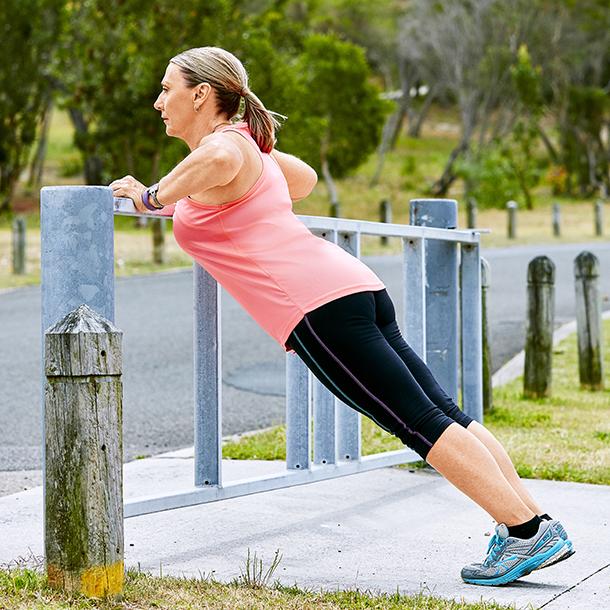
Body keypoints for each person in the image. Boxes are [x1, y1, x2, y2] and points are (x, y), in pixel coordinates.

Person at [110, 46, 574, 586]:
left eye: (167, 88)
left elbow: (216, 164)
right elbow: (298, 180)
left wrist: (148, 197)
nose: (158, 100)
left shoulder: (224, 148)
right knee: (441, 411)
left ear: (201, 94)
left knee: (420, 423)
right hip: (353, 288)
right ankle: (531, 523)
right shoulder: (245, 149)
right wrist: (178, 194)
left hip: (316, 307)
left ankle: (523, 533)